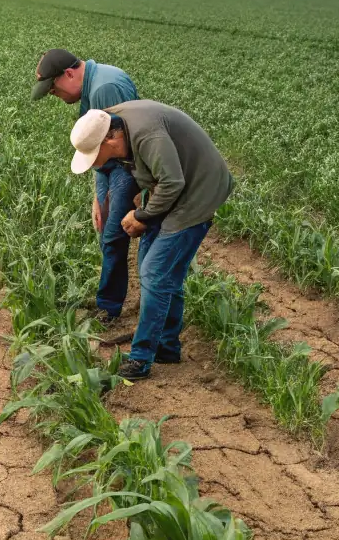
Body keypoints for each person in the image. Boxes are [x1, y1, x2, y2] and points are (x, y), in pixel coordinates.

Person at [67, 101, 234, 381]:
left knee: (155, 272)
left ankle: (141, 359)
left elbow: (172, 182)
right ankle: (166, 345)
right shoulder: (113, 121)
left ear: (112, 137)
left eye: (98, 154)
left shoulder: (146, 135)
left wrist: (143, 215)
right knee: (157, 269)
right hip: (170, 190)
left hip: (197, 193)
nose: (98, 162)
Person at [32, 49, 138, 326]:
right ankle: (108, 300)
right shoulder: (94, 84)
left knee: (114, 235)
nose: (55, 96)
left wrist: (133, 194)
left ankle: (109, 309)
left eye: (53, 90)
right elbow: (97, 148)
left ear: (68, 74)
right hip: (109, 167)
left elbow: (118, 149)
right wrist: (97, 197)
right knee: (105, 230)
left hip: (123, 168)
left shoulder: (105, 88)